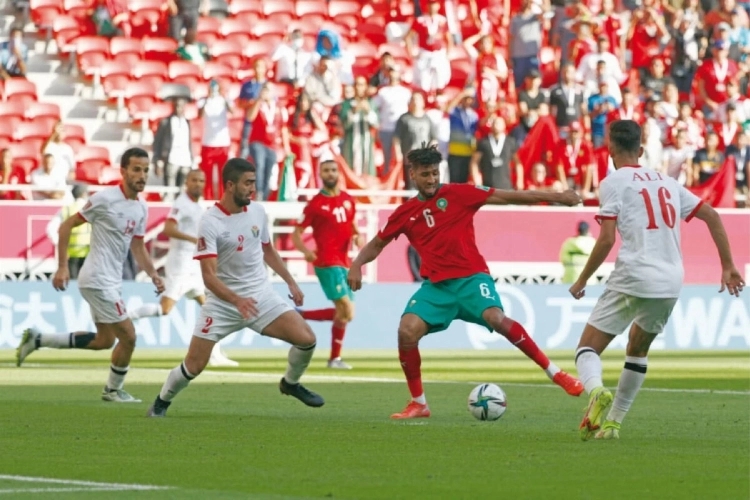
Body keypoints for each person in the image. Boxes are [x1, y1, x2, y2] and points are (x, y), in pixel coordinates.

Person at [347, 144, 585, 420]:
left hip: (471, 278)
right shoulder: (405, 212)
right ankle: (419, 403)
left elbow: (509, 196)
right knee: (406, 331)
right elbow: (377, 243)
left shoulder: (459, 193)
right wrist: (357, 264)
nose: (432, 179)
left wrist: (558, 197)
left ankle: (556, 374)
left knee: (496, 318)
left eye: (435, 173)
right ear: (413, 174)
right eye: (425, 174)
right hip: (437, 288)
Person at [570, 120, 745, 440]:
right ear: (640, 150)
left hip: (634, 273)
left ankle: (596, 391)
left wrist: (582, 279)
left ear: (610, 150)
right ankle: (613, 424)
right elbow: (712, 215)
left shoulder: (612, 183)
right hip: (670, 280)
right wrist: (728, 265)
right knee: (637, 349)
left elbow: (606, 239)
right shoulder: (668, 182)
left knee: (587, 349)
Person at [146, 158, 324, 417]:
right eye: (247, 183)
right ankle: (161, 403)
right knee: (194, 365)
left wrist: (290, 281)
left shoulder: (258, 211)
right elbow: (209, 277)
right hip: (223, 305)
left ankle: (290, 383)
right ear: (230, 185)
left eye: (254, 182)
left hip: (261, 297)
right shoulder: (211, 221)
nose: (253, 189)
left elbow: (268, 250)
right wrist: (237, 300)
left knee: (307, 339)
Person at [16, 148, 165, 404]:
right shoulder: (105, 198)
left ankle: (38, 339)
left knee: (104, 340)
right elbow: (66, 226)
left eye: (145, 170)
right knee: (129, 337)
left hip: (111, 281)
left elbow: (138, 246)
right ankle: (113, 390)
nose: (142, 175)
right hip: (97, 279)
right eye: (136, 169)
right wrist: (62, 266)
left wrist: (153, 274)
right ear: (123, 171)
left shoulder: (141, 207)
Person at [129, 170, 238, 367]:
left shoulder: (199, 205)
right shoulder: (182, 203)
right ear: (186, 182)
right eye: (194, 180)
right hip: (181, 265)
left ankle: (215, 355)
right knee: (164, 309)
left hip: (194, 267)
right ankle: (127, 318)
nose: (198, 184)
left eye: (201, 180)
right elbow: (168, 229)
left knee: (212, 308)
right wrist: (194, 240)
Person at [292, 160, 363, 370]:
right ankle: (334, 358)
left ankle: (334, 357)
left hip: (344, 262)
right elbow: (297, 232)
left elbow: (352, 225)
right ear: (320, 174)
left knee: (347, 314)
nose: (330, 174)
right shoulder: (315, 204)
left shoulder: (348, 200)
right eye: (326, 171)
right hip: (326, 262)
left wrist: (358, 237)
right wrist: (306, 251)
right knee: (345, 309)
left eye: (333, 170)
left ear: (338, 173)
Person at [46, 184, 91, 279]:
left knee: (73, 284)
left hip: (70, 254)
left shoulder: (67, 209)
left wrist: (60, 245)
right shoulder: (91, 209)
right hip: (88, 254)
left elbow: (50, 229)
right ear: (84, 194)